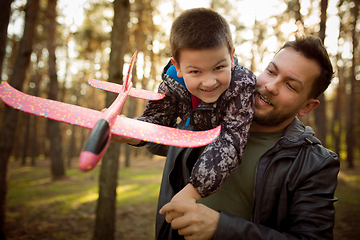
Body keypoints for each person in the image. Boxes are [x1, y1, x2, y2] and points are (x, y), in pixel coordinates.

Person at [152, 35, 339, 240]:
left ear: (307, 106)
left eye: (290, 86)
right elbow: (168, 142)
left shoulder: (314, 164)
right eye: (271, 71)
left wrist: (220, 228)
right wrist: (130, 132)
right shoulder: (214, 115)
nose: (270, 86)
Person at [115, 8, 256, 207]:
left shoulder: (242, 85)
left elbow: (231, 140)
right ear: (178, 67)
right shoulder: (172, 84)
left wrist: (193, 191)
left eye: (219, 67)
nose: (209, 82)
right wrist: (130, 132)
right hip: (183, 168)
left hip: (231, 181)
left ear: (232, 57)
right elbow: (156, 121)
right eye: (196, 71)